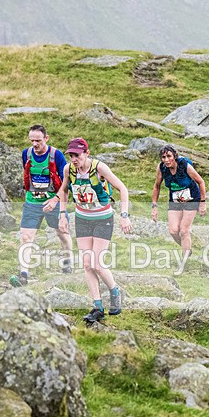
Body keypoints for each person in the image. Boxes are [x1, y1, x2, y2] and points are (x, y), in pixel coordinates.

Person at [57, 138, 132, 324]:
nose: (74, 159)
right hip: (82, 219)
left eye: (78, 155)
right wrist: (62, 213)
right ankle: (97, 307)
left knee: (98, 264)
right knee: (87, 264)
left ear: (86, 153)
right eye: (71, 155)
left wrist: (124, 215)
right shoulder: (69, 169)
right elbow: (64, 190)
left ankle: (115, 290)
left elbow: (122, 188)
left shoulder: (99, 168)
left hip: (103, 218)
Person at [11, 124, 74, 287]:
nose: (34, 144)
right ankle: (23, 274)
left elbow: (66, 183)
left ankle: (68, 262)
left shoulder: (57, 155)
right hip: (32, 202)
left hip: (53, 202)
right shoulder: (26, 154)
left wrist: (55, 201)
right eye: (31, 140)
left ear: (46, 138)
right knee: (26, 237)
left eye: (38, 140)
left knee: (63, 234)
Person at [151, 145, 207, 258]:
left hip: (191, 199)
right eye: (163, 157)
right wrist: (154, 206)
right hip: (175, 200)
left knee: (183, 231)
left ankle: (185, 257)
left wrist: (202, 203)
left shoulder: (184, 165)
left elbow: (201, 182)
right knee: (173, 231)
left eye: (169, 156)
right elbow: (157, 186)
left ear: (175, 156)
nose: (166, 160)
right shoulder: (162, 168)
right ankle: (187, 248)